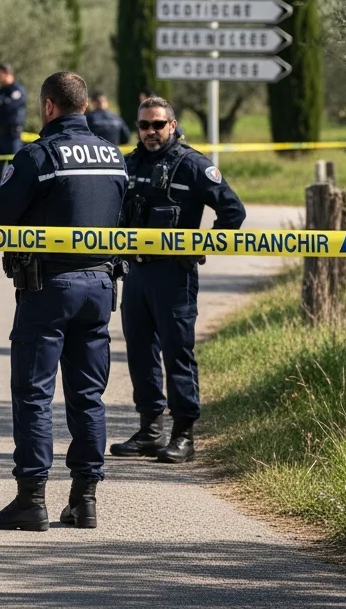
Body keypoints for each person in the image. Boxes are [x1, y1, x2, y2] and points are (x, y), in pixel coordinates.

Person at [0, 71, 128, 532]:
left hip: (49, 287)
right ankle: (85, 500)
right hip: (101, 286)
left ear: (48, 106)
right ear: (84, 105)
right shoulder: (113, 155)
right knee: (88, 397)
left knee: (33, 395)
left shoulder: (38, 155)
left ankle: (32, 500)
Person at [109, 96, 245, 464]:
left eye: (158, 125)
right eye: (144, 125)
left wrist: (201, 246)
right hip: (136, 273)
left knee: (176, 354)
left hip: (174, 276)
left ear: (173, 125)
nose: (151, 132)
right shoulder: (130, 163)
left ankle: (183, 435)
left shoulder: (192, 165)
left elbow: (233, 211)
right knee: (140, 353)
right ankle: (150, 431)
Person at [0, 62, 27, 194]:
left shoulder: (17, 90)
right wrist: (0, 103)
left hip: (12, 136)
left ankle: (14, 201)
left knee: (14, 171)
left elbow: (9, 107)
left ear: (7, 73)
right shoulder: (0, 91)